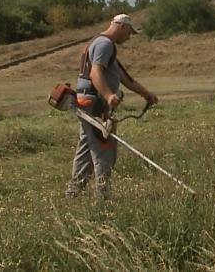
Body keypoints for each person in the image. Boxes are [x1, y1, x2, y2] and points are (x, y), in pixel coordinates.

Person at [66, 14, 158, 199]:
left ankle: (74, 192)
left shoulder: (104, 45)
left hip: (87, 101)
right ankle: (103, 195)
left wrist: (147, 95)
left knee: (86, 148)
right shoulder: (104, 44)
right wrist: (108, 95)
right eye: (129, 33)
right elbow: (95, 72)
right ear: (122, 27)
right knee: (104, 148)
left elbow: (125, 79)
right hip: (95, 103)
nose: (129, 37)